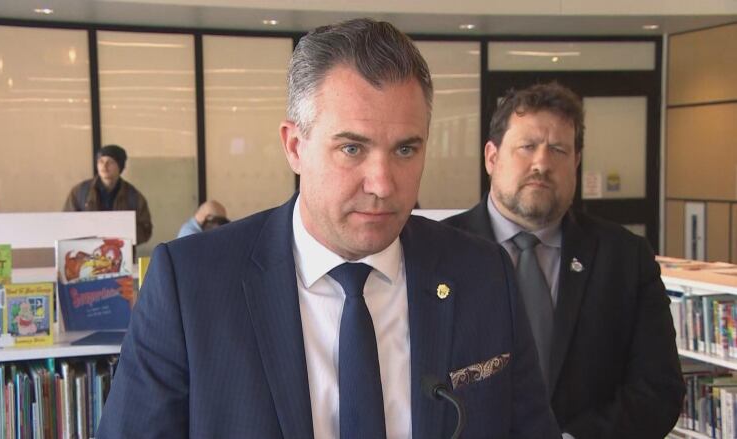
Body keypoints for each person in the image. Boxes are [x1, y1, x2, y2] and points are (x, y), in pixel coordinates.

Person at [97, 19, 558, 439]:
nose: (382, 184)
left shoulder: (483, 275)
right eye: (352, 149)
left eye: (405, 150)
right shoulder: (192, 284)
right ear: (295, 147)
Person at [443, 82, 685, 438]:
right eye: (527, 147)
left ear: (576, 162)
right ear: (491, 157)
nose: (542, 163)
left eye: (558, 149)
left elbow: (658, 389)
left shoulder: (624, 258)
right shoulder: (438, 253)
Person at [64, 144, 153, 245]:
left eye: (110, 162)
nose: (104, 166)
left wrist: (120, 231)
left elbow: (145, 230)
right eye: (101, 161)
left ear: (120, 166)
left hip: (120, 253)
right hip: (85, 253)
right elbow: (67, 224)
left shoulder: (133, 196)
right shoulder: (80, 192)